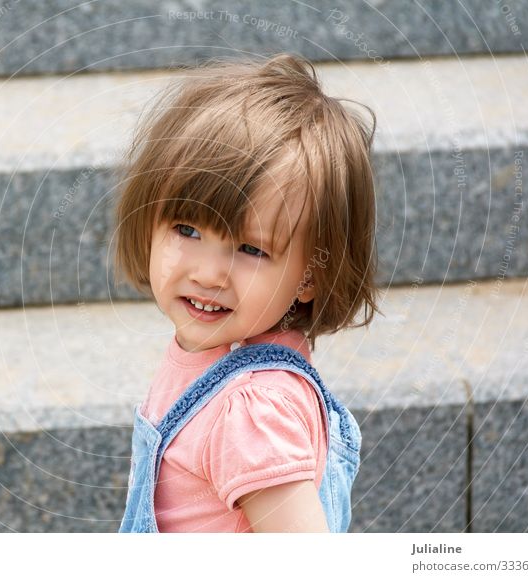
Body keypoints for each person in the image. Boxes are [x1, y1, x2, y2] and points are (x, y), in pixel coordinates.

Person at [112, 53, 380, 533]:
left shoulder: (253, 411)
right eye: (187, 230)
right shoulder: (217, 362)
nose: (210, 274)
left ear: (312, 275)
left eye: (251, 249)